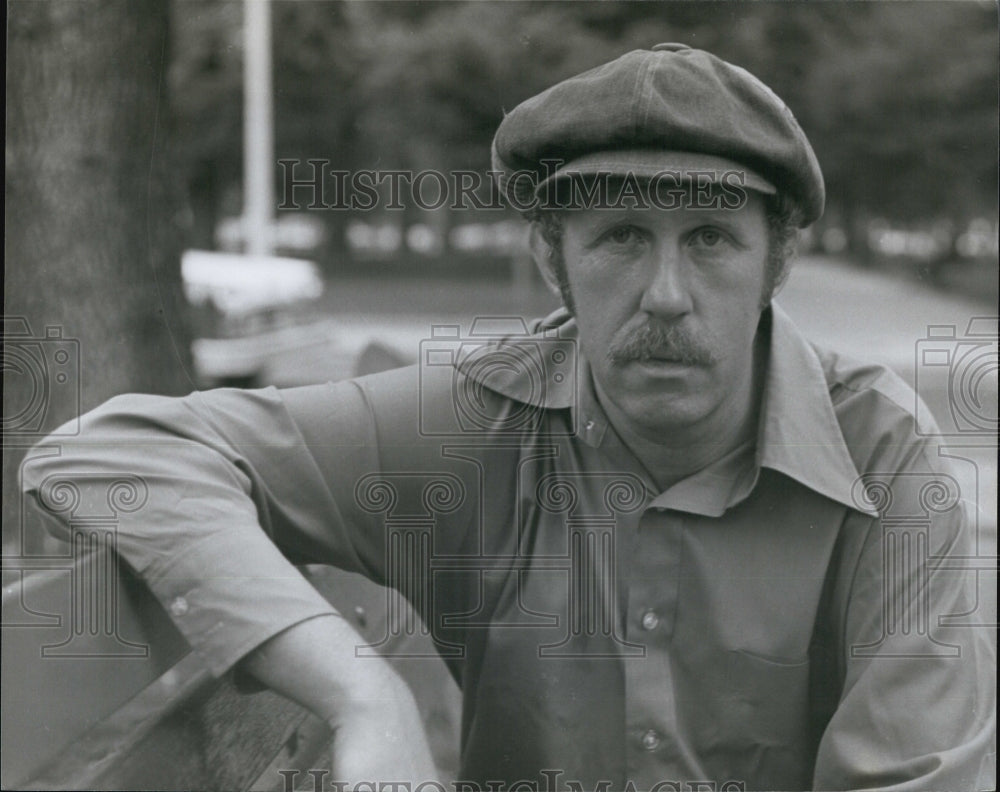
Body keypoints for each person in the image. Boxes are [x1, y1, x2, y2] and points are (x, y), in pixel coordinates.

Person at [23, 44, 994, 791]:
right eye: (619, 238)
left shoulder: (882, 457)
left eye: (709, 240)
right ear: (552, 262)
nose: (664, 295)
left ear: (776, 265)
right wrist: (359, 692)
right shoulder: (471, 427)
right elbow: (108, 453)